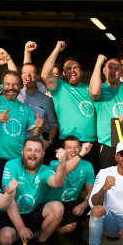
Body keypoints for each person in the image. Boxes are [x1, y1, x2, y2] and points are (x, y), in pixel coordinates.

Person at [0, 137, 66, 245]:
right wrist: (21, 228)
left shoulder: (45, 169)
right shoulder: (11, 165)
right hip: (10, 213)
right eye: (29, 150)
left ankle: (39, 244)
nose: (32, 154)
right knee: (5, 239)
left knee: (57, 207)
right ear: (22, 151)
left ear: (43, 153)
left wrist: (62, 165)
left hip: (33, 213)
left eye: (37, 150)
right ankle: (21, 238)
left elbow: (57, 182)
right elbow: (9, 200)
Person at [0, 70, 43, 184]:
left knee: (15, 196)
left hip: (18, 161)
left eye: (15, 84)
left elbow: (34, 133)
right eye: (7, 84)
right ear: (3, 85)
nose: (11, 87)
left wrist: (39, 127)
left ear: (20, 86)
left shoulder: (25, 108)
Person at [41, 41, 99, 171]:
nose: (72, 70)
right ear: (63, 73)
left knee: (89, 179)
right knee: (66, 178)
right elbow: (45, 74)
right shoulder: (60, 87)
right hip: (67, 143)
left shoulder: (91, 89)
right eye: (68, 68)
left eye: (75, 67)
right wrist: (56, 49)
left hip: (90, 143)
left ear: (82, 72)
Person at [48, 137, 95, 245]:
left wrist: (83, 205)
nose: (73, 151)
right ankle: (51, 233)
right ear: (63, 150)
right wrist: (82, 153)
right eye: (69, 147)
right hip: (56, 205)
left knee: (97, 210)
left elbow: (91, 193)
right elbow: (64, 169)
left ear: (80, 148)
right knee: (69, 226)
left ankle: (76, 233)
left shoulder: (87, 165)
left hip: (73, 202)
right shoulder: (53, 163)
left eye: (76, 147)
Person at [17, 60, 59, 164]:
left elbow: (54, 125)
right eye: (24, 72)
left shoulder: (47, 100)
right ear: (21, 76)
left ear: (38, 76)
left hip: (36, 150)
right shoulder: (14, 97)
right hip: (15, 146)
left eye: (32, 72)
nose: (28, 75)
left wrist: (49, 141)